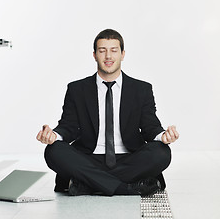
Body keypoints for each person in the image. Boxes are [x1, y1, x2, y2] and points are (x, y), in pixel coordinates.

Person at [36, 29, 179, 196]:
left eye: (114, 50)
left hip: (129, 159)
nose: (108, 56)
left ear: (123, 54)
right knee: (53, 151)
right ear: (95, 55)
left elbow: (150, 126)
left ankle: (89, 184)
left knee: (161, 152)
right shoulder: (77, 89)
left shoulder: (141, 89)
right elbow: (69, 126)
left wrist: (163, 136)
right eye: (102, 51)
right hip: (89, 159)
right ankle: (124, 188)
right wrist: (54, 135)